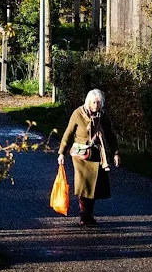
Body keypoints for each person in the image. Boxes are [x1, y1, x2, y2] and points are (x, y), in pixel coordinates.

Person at [58, 89, 120, 226]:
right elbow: (68, 133)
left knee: (94, 187)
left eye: (98, 103)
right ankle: (84, 215)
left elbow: (111, 135)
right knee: (83, 185)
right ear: (88, 102)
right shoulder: (78, 114)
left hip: (97, 156)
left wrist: (115, 153)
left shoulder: (103, 116)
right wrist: (61, 153)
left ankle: (89, 214)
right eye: (94, 102)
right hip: (81, 156)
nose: (96, 105)